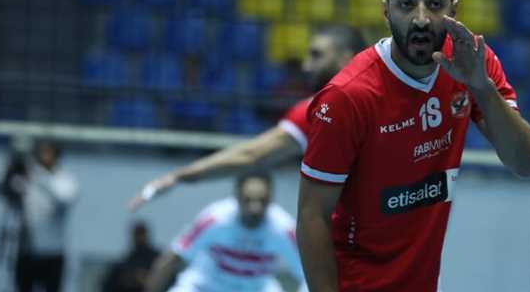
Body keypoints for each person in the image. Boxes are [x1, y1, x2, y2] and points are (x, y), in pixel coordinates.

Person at [292, 0, 530, 292]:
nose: (421, 18)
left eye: (435, 4)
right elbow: (311, 215)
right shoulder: (348, 96)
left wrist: (481, 87)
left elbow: (525, 163)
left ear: (454, 10)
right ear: (386, 11)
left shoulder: (474, 63)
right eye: (406, 4)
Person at [128, 24, 366, 210]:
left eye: (316, 55)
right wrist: (180, 176)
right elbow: (251, 155)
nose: (306, 66)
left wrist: (177, 176)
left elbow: (250, 155)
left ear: (346, 58)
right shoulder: (326, 109)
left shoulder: (324, 109)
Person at [135, 172, 304, 292]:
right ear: (236, 197)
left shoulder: (283, 228)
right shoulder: (215, 219)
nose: (255, 208)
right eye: (248, 200)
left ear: (271, 199)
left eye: (262, 201)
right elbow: (168, 263)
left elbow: (311, 277)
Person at [12, 139, 79, 292]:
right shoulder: (28, 177)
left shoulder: (65, 180)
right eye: (41, 153)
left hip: (53, 253)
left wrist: (38, 176)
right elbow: (5, 189)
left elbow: (64, 198)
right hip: (27, 251)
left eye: (48, 153)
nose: (44, 158)